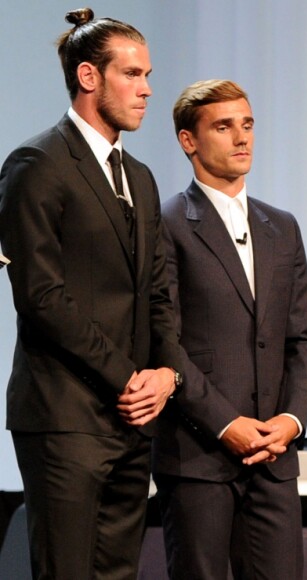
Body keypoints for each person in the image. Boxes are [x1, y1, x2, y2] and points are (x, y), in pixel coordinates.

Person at [0, 8, 181, 579]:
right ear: (88, 77)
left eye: (147, 75)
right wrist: (126, 376)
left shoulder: (143, 177)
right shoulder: (38, 164)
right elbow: (42, 297)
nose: (147, 89)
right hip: (64, 417)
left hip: (131, 421)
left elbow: (159, 291)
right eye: (132, 74)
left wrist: (164, 373)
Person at [152, 79, 307, 579]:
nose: (241, 137)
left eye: (246, 125)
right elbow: (165, 342)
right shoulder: (166, 223)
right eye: (223, 126)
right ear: (189, 141)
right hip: (198, 457)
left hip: (273, 457)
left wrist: (290, 420)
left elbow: (301, 338)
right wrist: (226, 424)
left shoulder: (281, 226)